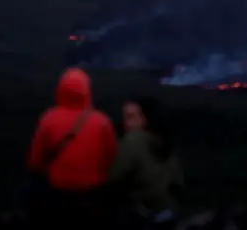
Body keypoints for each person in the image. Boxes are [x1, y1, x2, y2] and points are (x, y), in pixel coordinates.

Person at [27, 67, 118, 226]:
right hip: (92, 196)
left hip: (58, 196)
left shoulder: (48, 119)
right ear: (87, 92)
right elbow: (111, 160)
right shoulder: (102, 122)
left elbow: (35, 161)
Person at [109, 97, 184, 227]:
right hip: (168, 211)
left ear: (144, 117)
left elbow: (114, 177)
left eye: (131, 117)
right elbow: (178, 181)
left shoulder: (133, 141)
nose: (126, 122)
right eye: (125, 117)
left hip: (144, 215)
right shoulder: (162, 140)